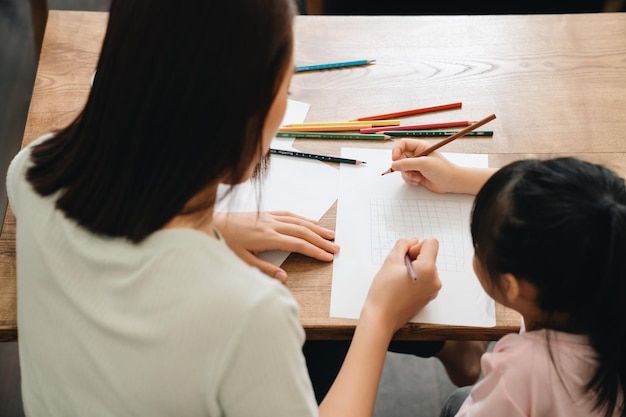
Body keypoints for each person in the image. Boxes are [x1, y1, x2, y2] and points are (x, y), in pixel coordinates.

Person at [6, 0, 446, 415]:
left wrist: (209, 226)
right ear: (245, 114)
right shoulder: (249, 315)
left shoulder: (31, 172)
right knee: (339, 334)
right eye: (285, 81)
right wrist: (379, 316)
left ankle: (450, 349)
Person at [389, 139, 626, 417]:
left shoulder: (521, 373)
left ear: (513, 287)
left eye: (478, 246)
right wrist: (455, 177)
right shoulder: (612, 244)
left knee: (456, 403)